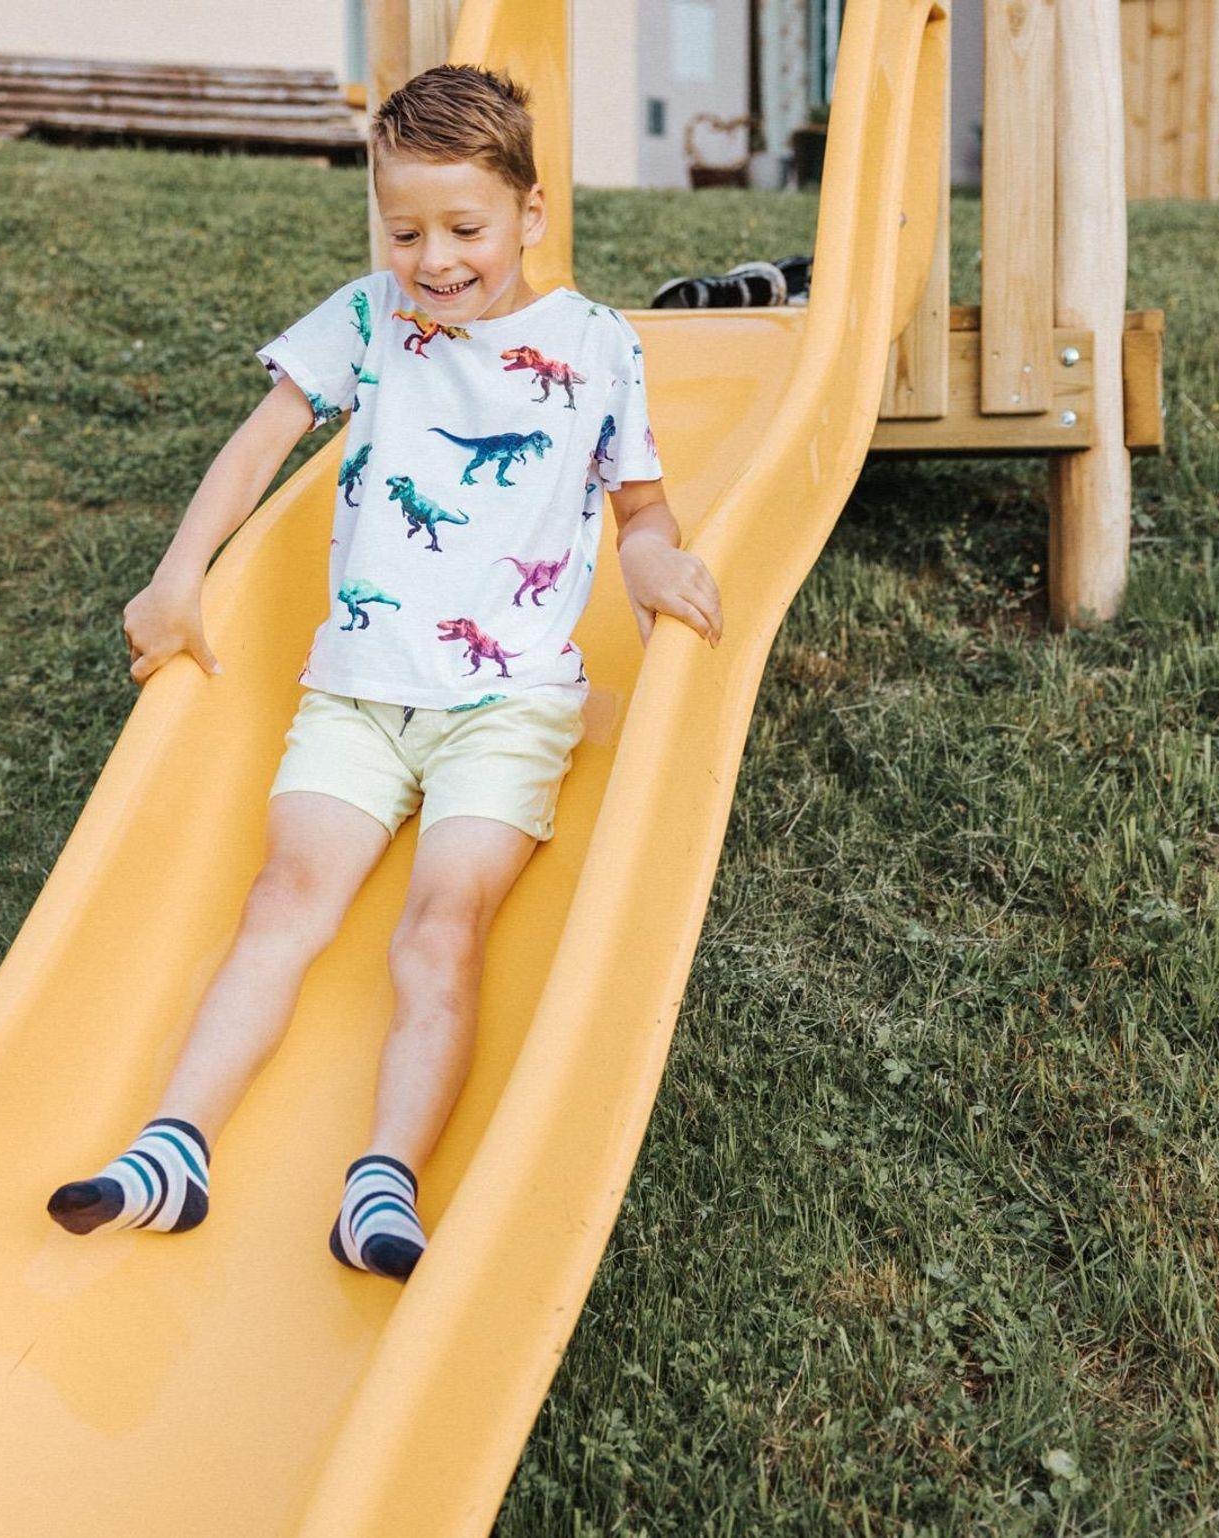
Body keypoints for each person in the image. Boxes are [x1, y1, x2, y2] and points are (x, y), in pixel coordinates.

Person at [46, 63, 723, 1283]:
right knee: (280, 901)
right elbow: (259, 439)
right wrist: (177, 575)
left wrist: (656, 562)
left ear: (529, 211)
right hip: (358, 690)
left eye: (463, 228)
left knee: (440, 925)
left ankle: (383, 1176)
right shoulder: (368, 319)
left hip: (507, 705)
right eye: (404, 232)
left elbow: (640, 507)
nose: (433, 259)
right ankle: (172, 1145)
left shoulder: (593, 345)